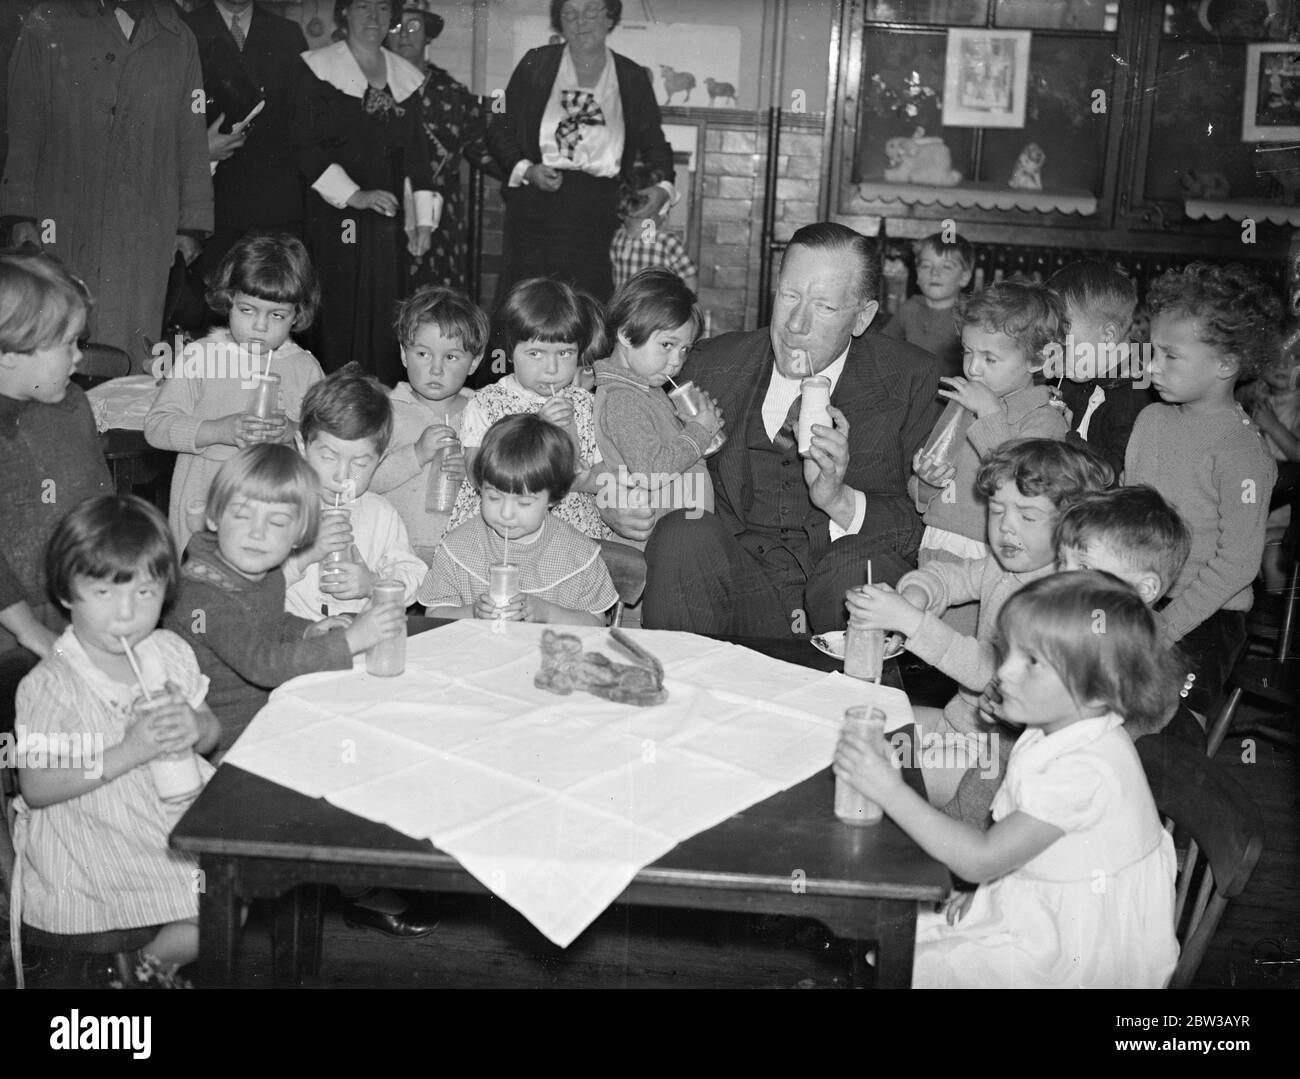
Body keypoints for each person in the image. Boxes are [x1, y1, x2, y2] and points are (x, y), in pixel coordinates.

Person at [835, 571, 1181, 989]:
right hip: (1039, 895)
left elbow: (982, 857)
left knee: (914, 960)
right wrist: (991, 889)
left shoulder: (1084, 769)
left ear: (1096, 690)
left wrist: (890, 789)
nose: (1004, 673)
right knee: (903, 938)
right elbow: (1013, 847)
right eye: (1008, 652)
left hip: (1078, 952)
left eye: (1032, 662)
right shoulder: (1057, 725)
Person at [643, 222, 941, 638]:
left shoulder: (912, 380)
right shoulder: (708, 364)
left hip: (838, 595)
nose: (796, 323)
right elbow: (631, 436)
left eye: (824, 307)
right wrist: (620, 504)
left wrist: (839, 501)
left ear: (863, 317)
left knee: (855, 566)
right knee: (683, 531)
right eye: (790, 296)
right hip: (740, 591)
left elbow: (931, 524)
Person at [847, 438, 1112, 818]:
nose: (1006, 527)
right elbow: (947, 576)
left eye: (1028, 516)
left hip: (995, 757)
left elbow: (992, 671)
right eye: (996, 510)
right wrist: (917, 595)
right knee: (858, 719)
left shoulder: (1058, 601)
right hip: (957, 722)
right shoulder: (1000, 566)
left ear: (1071, 526)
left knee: (879, 775)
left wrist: (911, 623)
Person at [15, 495, 220, 981]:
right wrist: (129, 751)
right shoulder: (51, 685)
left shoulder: (167, 651)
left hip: (168, 819)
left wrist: (195, 727)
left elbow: (210, 730)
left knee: (235, 894)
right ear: (67, 592)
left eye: (144, 594)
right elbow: (38, 784)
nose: (126, 614)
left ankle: (145, 969)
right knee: (209, 904)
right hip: (92, 839)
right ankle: (138, 972)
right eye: (104, 594)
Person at [2, 0, 213, 370]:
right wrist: (18, 212)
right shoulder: (46, 24)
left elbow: (191, 137)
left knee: (134, 343)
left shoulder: (177, 37)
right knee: (56, 335)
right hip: (63, 213)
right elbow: (23, 127)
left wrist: (192, 223)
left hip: (146, 223)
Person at [166, 444, 405, 753]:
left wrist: (305, 630)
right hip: (219, 742)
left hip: (266, 716)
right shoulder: (202, 597)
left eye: (277, 522)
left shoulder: (264, 570)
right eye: (242, 516)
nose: (257, 533)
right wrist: (350, 641)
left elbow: (267, 621)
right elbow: (262, 664)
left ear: (300, 534)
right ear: (213, 518)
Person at [1125, 262, 1279, 716]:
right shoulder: (1150, 419)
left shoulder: (1244, 453)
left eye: (1170, 356)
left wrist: (1166, 626)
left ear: (1226, 365)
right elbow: (1126, 517)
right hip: (1139, 596)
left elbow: (1236, 566)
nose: (1152, 366)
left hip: (1206, 616)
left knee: (1169, 727)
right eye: (1153, 351)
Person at [145, 232, 325, 554]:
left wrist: (291, 432)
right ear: (229, 300)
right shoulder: (201, 356)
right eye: (247, 310)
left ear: (297, 315)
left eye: (277, 315)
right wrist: (219, 429)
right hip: (203, 509)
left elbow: (324, 441)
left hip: (273, 515)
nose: (260, 326)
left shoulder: (305, 368)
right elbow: (157, 427)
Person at [487, 0, 676, 302]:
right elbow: (499, 125)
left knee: (590, 309)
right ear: (559, 20)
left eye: (591, 11)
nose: (580, 21)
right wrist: (526, 169)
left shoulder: (632, 76)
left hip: (601, 214)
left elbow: (655, 142)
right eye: (570, 13)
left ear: (610, 17)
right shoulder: (535, 63)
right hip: (537, 206)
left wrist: (665, 189)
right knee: (529, 308)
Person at [294, 0, 438, 383]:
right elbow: (304, 145)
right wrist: (354, 195)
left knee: (383, 321)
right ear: (344, 13)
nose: (372, 17)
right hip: (334, 216)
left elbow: (418, 159)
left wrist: (423, 222)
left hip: (385, 223)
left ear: (392, 17)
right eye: (362, 7)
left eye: (381, 8)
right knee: (336, 316)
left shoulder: (405, 78)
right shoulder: (316, 68)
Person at [0, 251, 112, 663]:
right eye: (67, 345)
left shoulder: (72, 406)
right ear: (11, 352)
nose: (79, 357)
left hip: (74, 602)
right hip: (12, 626)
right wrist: (28, 630)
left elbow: (99, 500)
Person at [912, 279, 1069, 571]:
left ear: (1037, 360)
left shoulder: (1045, 419)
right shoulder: (962, 403)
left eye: (990, 358)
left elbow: (1022, 483)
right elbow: (922, 492)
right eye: (968, 351)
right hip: (938, 539)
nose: (972, 368)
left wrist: (989, 413)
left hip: (993, 555)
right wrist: (926, 481)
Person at [448, 277, 612, 540]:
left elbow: (605, 475)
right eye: (536, 354)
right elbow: (476, 474)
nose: (552, 368)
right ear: (511, 352)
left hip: (568, 535)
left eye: (565, 353)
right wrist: (535, 429)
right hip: (500, 531)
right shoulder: (487, 403)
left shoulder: (587, 405)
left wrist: (585, 479)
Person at [418, 414, 618, 624]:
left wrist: (547, 613)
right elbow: (434, 615)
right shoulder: (457, 547)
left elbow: (597, 624)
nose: (506, 513)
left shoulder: (578, 554)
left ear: (553, 497)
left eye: (523, 503)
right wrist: (473, 613)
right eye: (494, 497)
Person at [1055, 484, 1204, 748]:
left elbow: (1122, 739)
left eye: (1084, 566)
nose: (1062, 577)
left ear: (1143, 589)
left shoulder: (1141, 655)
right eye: (1061, 561)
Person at [283, 364, 426, 621]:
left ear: (379, 462)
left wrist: (374, 583)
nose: (343, 475)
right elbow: (248, 583)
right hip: (289, 637)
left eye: (360, 464)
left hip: (357, 637)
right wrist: (304, 557)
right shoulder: (280, 506)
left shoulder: (380, 514)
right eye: (328, 457)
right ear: (303, 448)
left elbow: (415, 575)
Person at [182, 0, 310, 285]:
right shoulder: (184, 29)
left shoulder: (288, 34)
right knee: (207, 309)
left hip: (273, 205)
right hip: (207, 206)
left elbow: (302, 121)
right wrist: (199, 151)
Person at [592, 268, 718, 540]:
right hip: (659, 546)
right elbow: (651, 472)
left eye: (684, 349)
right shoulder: (623, 399)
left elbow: (672, 452)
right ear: (626, 334)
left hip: (681, 535)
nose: (676, 361)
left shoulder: (647, 387)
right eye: (667, 345)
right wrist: (698, 433)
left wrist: (695, 428)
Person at [386, 4, 498, 292]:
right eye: (396, 27)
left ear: (428, 37)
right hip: (385, 202)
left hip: (441, 208)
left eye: (414, 27)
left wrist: (518, 171)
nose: (404, 35)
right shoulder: (370, 87)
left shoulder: (451, 91)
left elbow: (479, 147)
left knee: (437, 291)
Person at [371, 285, 487, 564]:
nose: (436, 369)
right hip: (396, 556)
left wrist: (473, 472)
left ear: (474, 363)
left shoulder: (484, 413)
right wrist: (416, 454)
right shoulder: (385, 411)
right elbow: (363, 481)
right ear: (403, 354)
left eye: (451, 357)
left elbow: (503, 486)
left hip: (463, 559)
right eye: (422, 354)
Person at [1045, 260, 1152, 480]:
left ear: (1108, 336)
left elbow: (1112, 478)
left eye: (1063, 344)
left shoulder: (1140, 397)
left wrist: (1067, 436)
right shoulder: (1076, 373)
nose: (1052, 353)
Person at [1239, 342, 1300, 591]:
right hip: (1251, 514)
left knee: (1270, 552)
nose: (1283, 365)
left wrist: (1273, 426)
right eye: (1276, 356)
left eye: (1294, 357)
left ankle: (1275, 616)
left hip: (1285, 523)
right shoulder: (1251, 401)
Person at [880, 231, 973, 380]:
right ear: (916, 274)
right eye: (926, 266)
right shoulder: (909, 308)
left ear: (964, 277)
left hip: (949, 397)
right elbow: (881, 347)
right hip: (908, 390)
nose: (934, 273)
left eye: (947, 267)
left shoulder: (971, 315)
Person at [608, 165, 698, 294]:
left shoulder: (619, 238)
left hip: (642, 312)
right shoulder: (667, 242)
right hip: (643, 312)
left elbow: (690, 280)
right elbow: (691, 283)